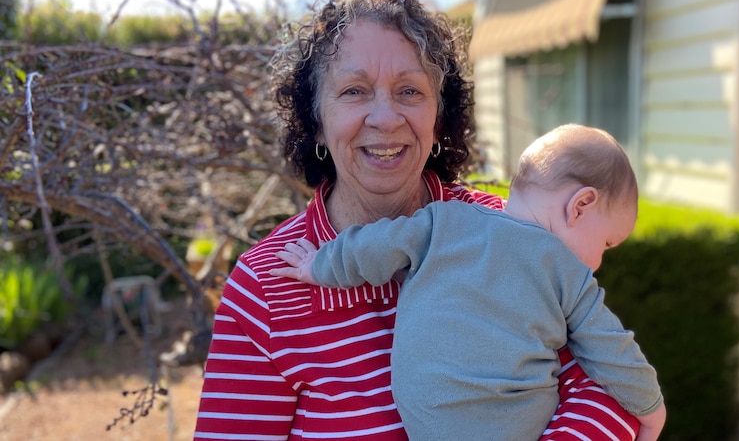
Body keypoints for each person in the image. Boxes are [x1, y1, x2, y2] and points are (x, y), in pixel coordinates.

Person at [194, 0, 647, 441]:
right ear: (316, 121)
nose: (386, 118)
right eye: (354, 90)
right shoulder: (264, 288)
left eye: (410, 90)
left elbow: (606, 392)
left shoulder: (512, 233)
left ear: (439, 115)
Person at [273, 124, 666, 441]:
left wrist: (317, 266)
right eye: (607, 244)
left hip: (429, 419)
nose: (599, 262)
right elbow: (613, 351)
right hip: (516, 424)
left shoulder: (446, 221)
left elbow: (379, 244)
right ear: (580, 206)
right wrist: (651, 409)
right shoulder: (567, 273)